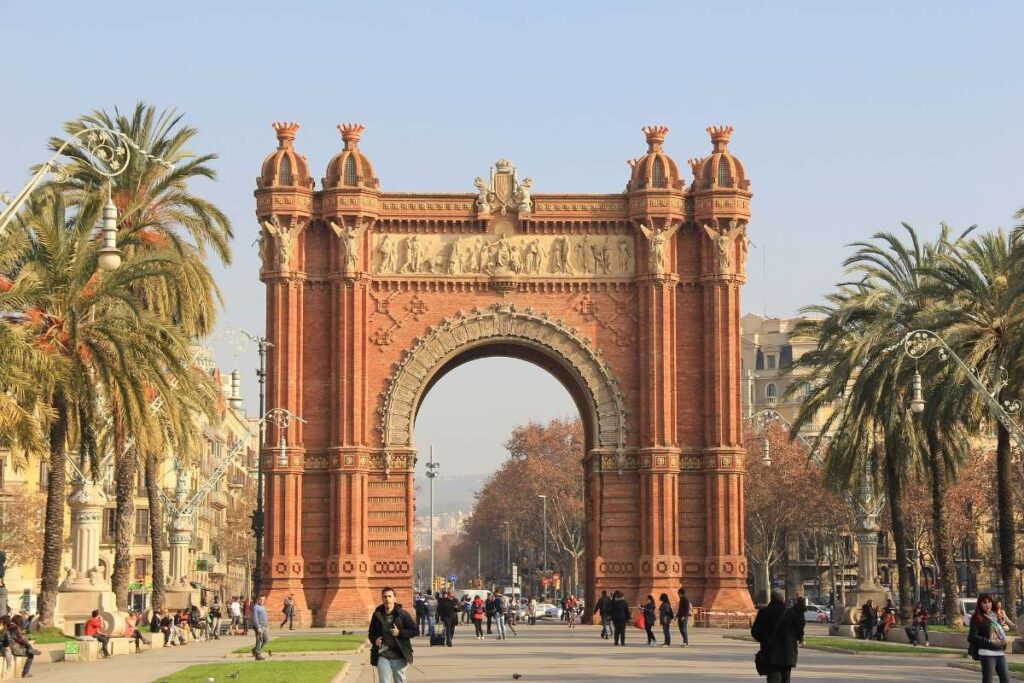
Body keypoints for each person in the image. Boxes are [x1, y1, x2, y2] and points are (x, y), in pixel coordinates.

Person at [751, 589, 804, 683]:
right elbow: (800, 630)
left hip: (770, 653)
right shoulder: (791, 613)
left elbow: (755, 632)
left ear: (771, 598)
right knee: (786, 679)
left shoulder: (764, 612)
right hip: (788, 654)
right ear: (783, 599)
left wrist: (764, 640)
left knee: (773, 679)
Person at [368, 586, 418, 683]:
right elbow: (371, 633)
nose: (387, 599)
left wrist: (399, 633)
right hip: (382, 654)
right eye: (385, 597)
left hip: (399, 654)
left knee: (399, 681)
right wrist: (375, 640)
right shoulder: (377, 615)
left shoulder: (403, 614)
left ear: (394, 598)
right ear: (382, 599)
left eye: (390, 596)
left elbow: (415, 631)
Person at [969, 593, 1009, 683]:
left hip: (1000, 652)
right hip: (987, 653)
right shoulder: (977, 617)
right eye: (984, 603)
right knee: (988, 681)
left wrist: (1003, 628)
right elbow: (972, 637)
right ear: (980, 604)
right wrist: (989, 641)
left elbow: (997, 631)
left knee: (1006, 680)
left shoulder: (995, 616)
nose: (987, 605)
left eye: (989, 602)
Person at [252, 596, 270, 660]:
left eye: (263, 600)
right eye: (261, 599)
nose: (262, 601)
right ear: (258, 600)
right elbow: (255, 618)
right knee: (259, 640)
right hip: (259, 626)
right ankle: (257, 655)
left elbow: (265, 616)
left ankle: (255, 649)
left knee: (266, 640)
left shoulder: (262, 607)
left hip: (264, 626)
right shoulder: (255, 607)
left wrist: (267, 625)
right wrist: (258, 627)